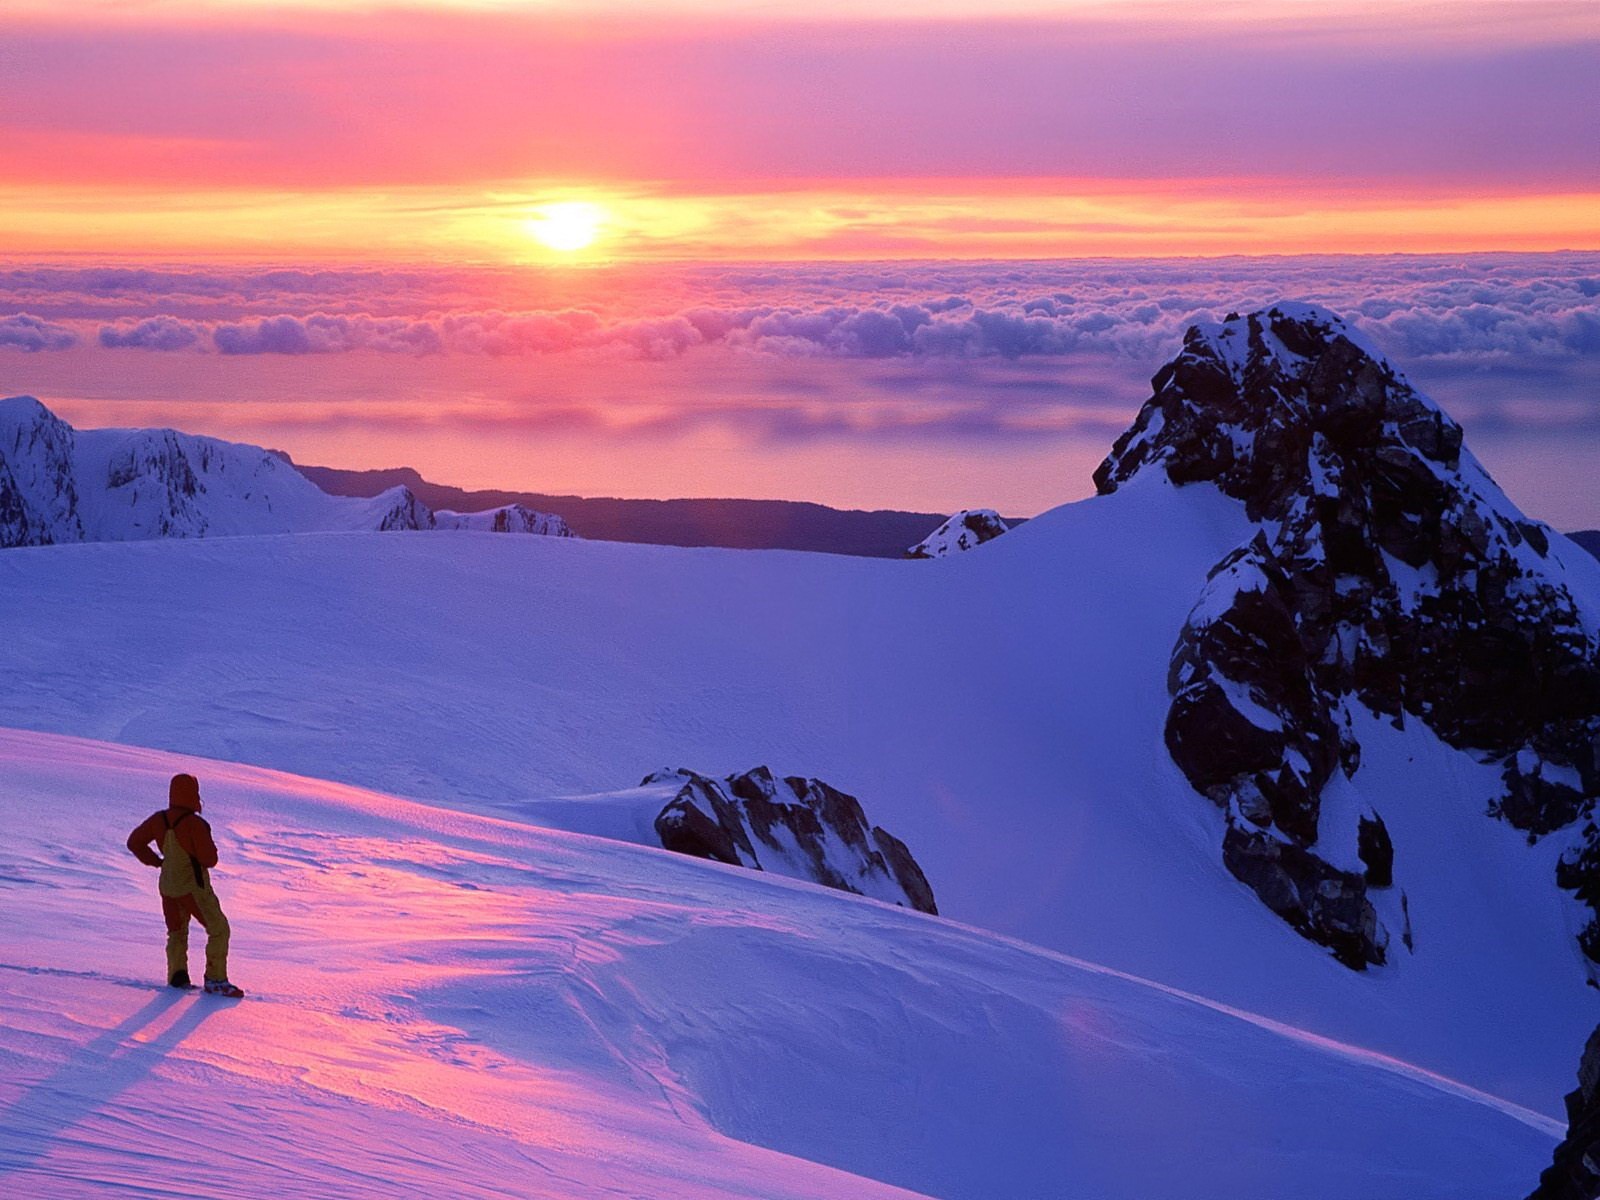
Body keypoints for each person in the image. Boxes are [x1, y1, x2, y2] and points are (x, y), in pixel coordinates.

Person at [126, 773, 244, 998]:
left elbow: (134, 842)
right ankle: (215, 980)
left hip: (167, 886)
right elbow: (209, 859)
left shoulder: (159, 819)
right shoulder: (195, 824)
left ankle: (177, 976)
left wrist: (157, 861)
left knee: (176, 932)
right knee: (219, 929)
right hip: (192, 887)